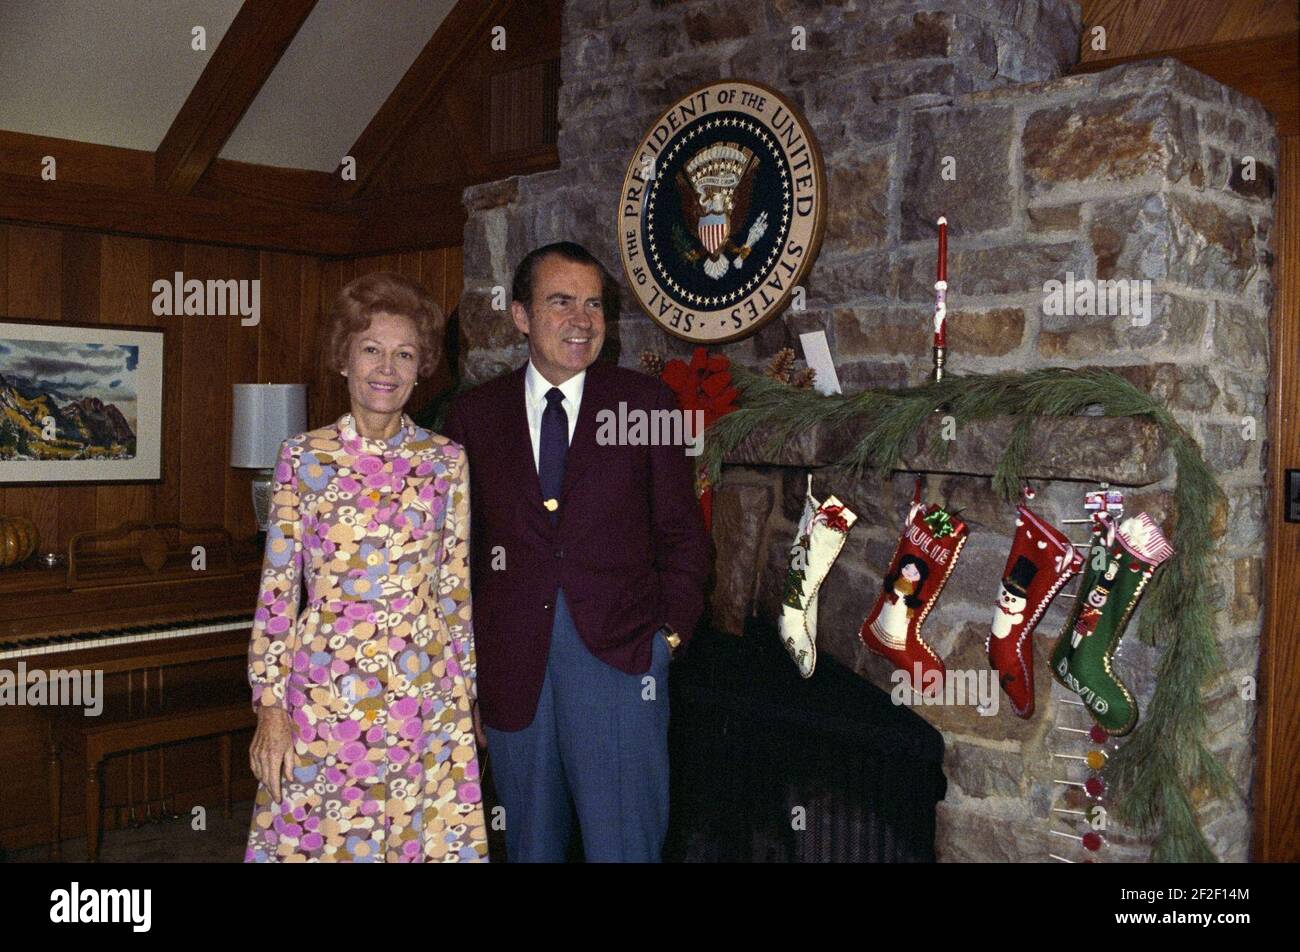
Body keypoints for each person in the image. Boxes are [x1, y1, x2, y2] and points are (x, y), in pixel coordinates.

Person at [442, 241, 710, 862]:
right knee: (530, 848)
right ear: (520, 315)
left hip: (621, 665)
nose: (582, 321)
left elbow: (683, 536)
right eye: (561, 302)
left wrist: (666, 640)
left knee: (625, 848)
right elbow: (456, 558)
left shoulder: (646, 406)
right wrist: (466, 682)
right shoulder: (473, 417)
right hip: (513, 672)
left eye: (594, 305)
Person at [244, 272, 488, 862]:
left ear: (421, 365)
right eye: (372, 350)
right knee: (324, 841)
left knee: (420, 841)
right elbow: (278, 592)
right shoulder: (302, 458)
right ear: (345, 359)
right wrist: (270, 704)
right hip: (325, 686)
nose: (387, 367)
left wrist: (470, 696)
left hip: (426, 687)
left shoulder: (446, 461)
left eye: (404, 354)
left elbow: (454, 588)